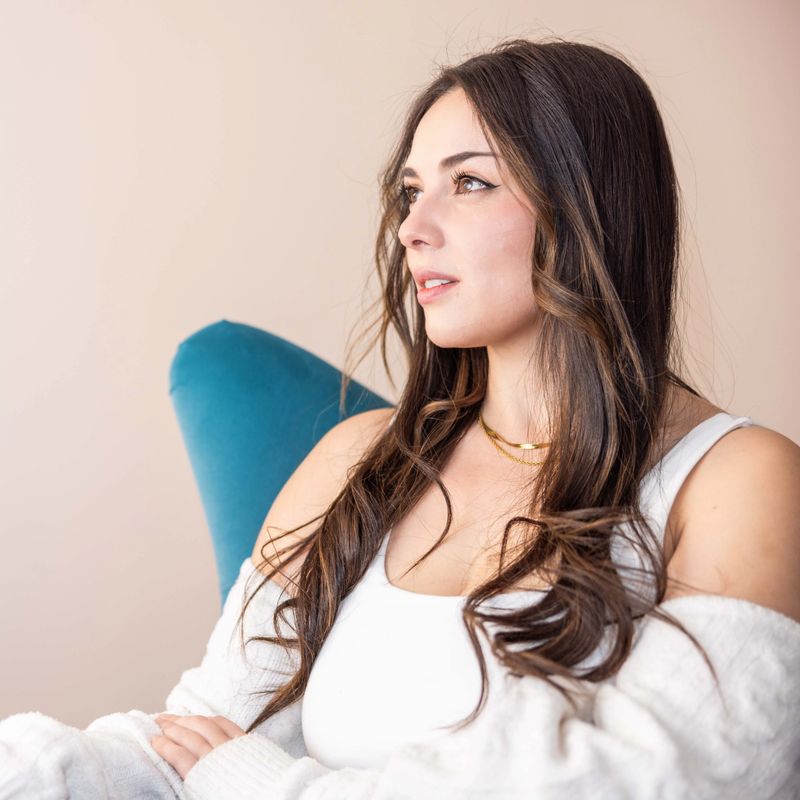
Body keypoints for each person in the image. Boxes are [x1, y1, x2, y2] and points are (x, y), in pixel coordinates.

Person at [2, 36, 799, 800]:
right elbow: (196, 740)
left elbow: (665, 785)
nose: (413, 228)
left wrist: (262, 786)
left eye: (472, 182)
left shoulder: (737, 478)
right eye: (412, 191)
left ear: (590, 206)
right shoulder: (360, 459)